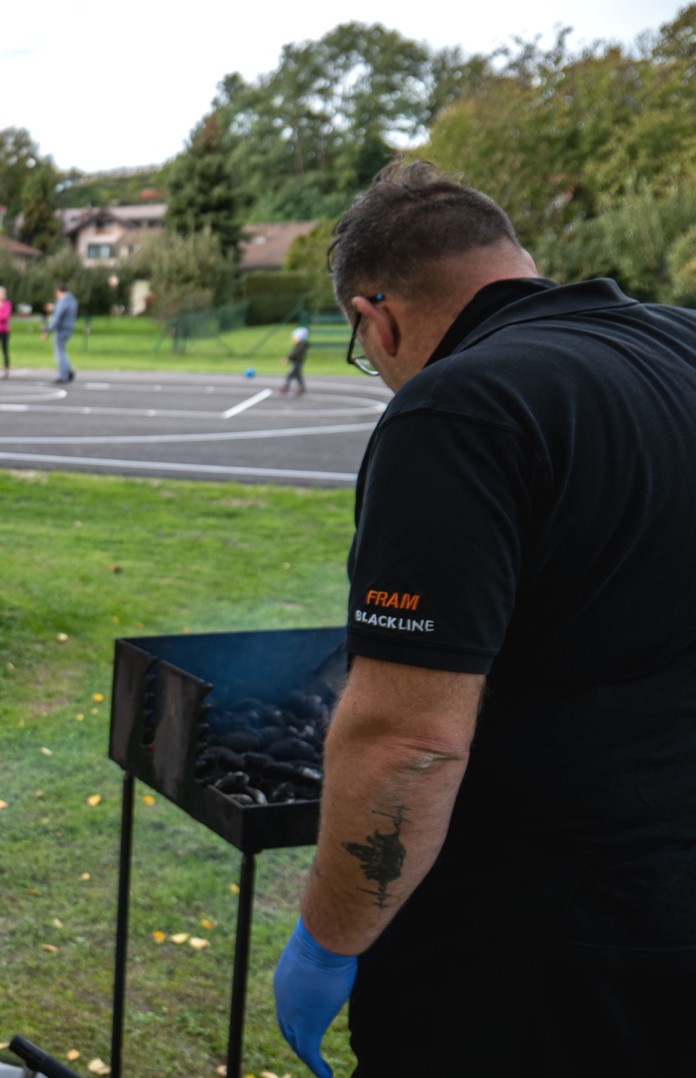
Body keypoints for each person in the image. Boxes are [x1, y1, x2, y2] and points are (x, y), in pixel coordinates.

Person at [272, 160, 696, 1078]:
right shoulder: (681, 346)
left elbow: (407, 743)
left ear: (372, 316)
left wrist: (328, 942)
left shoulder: (460, 405)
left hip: (541, 953)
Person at [43, 283, 78, 383]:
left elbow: (57, 317)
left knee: (59, 353)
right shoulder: (72, 300)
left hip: (61, 329)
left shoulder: (62, 301)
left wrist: (47, 329)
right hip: (69, 328)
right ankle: (69, 370)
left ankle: (62, 376)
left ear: (58, 291)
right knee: (62, 351)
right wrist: (55, 308)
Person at [280, 326, 309, 396]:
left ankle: (286, 387)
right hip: (297, 362)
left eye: (295, 337)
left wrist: (288, 358)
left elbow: (294, 353)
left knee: (290, 376)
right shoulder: (299, 345)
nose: (293, 338)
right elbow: (293, 353)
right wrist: (289, 358)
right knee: (298, 376)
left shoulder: (301, 345)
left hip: (298, 363)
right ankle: (302, 388)